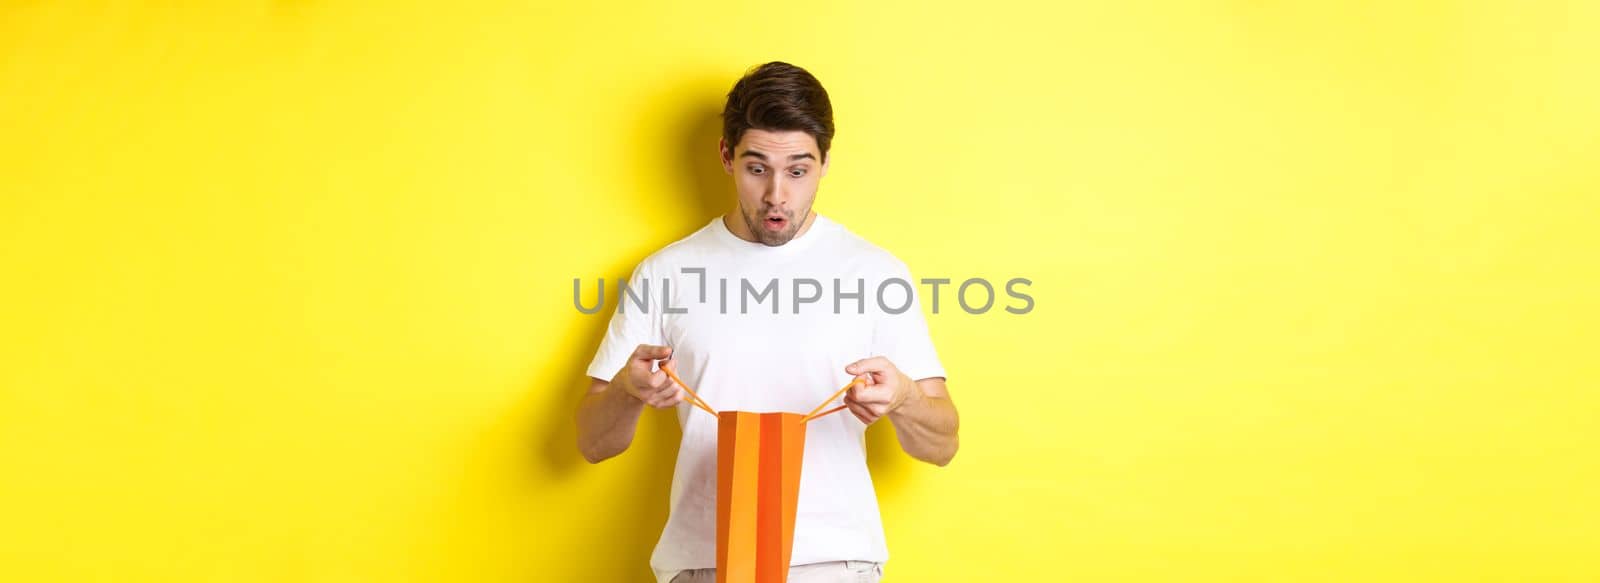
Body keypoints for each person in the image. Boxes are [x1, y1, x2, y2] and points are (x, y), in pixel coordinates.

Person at [575, 61, 959, 583]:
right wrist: (627, 389)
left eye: (798, 170)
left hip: (834, 566)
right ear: (727, 157)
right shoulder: (665, 272)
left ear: (824, 163)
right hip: (703, 565)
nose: (777, 195)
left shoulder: (875, 272)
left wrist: (905, 397)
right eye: (757, 168)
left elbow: (941, 446)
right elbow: (593, 444)